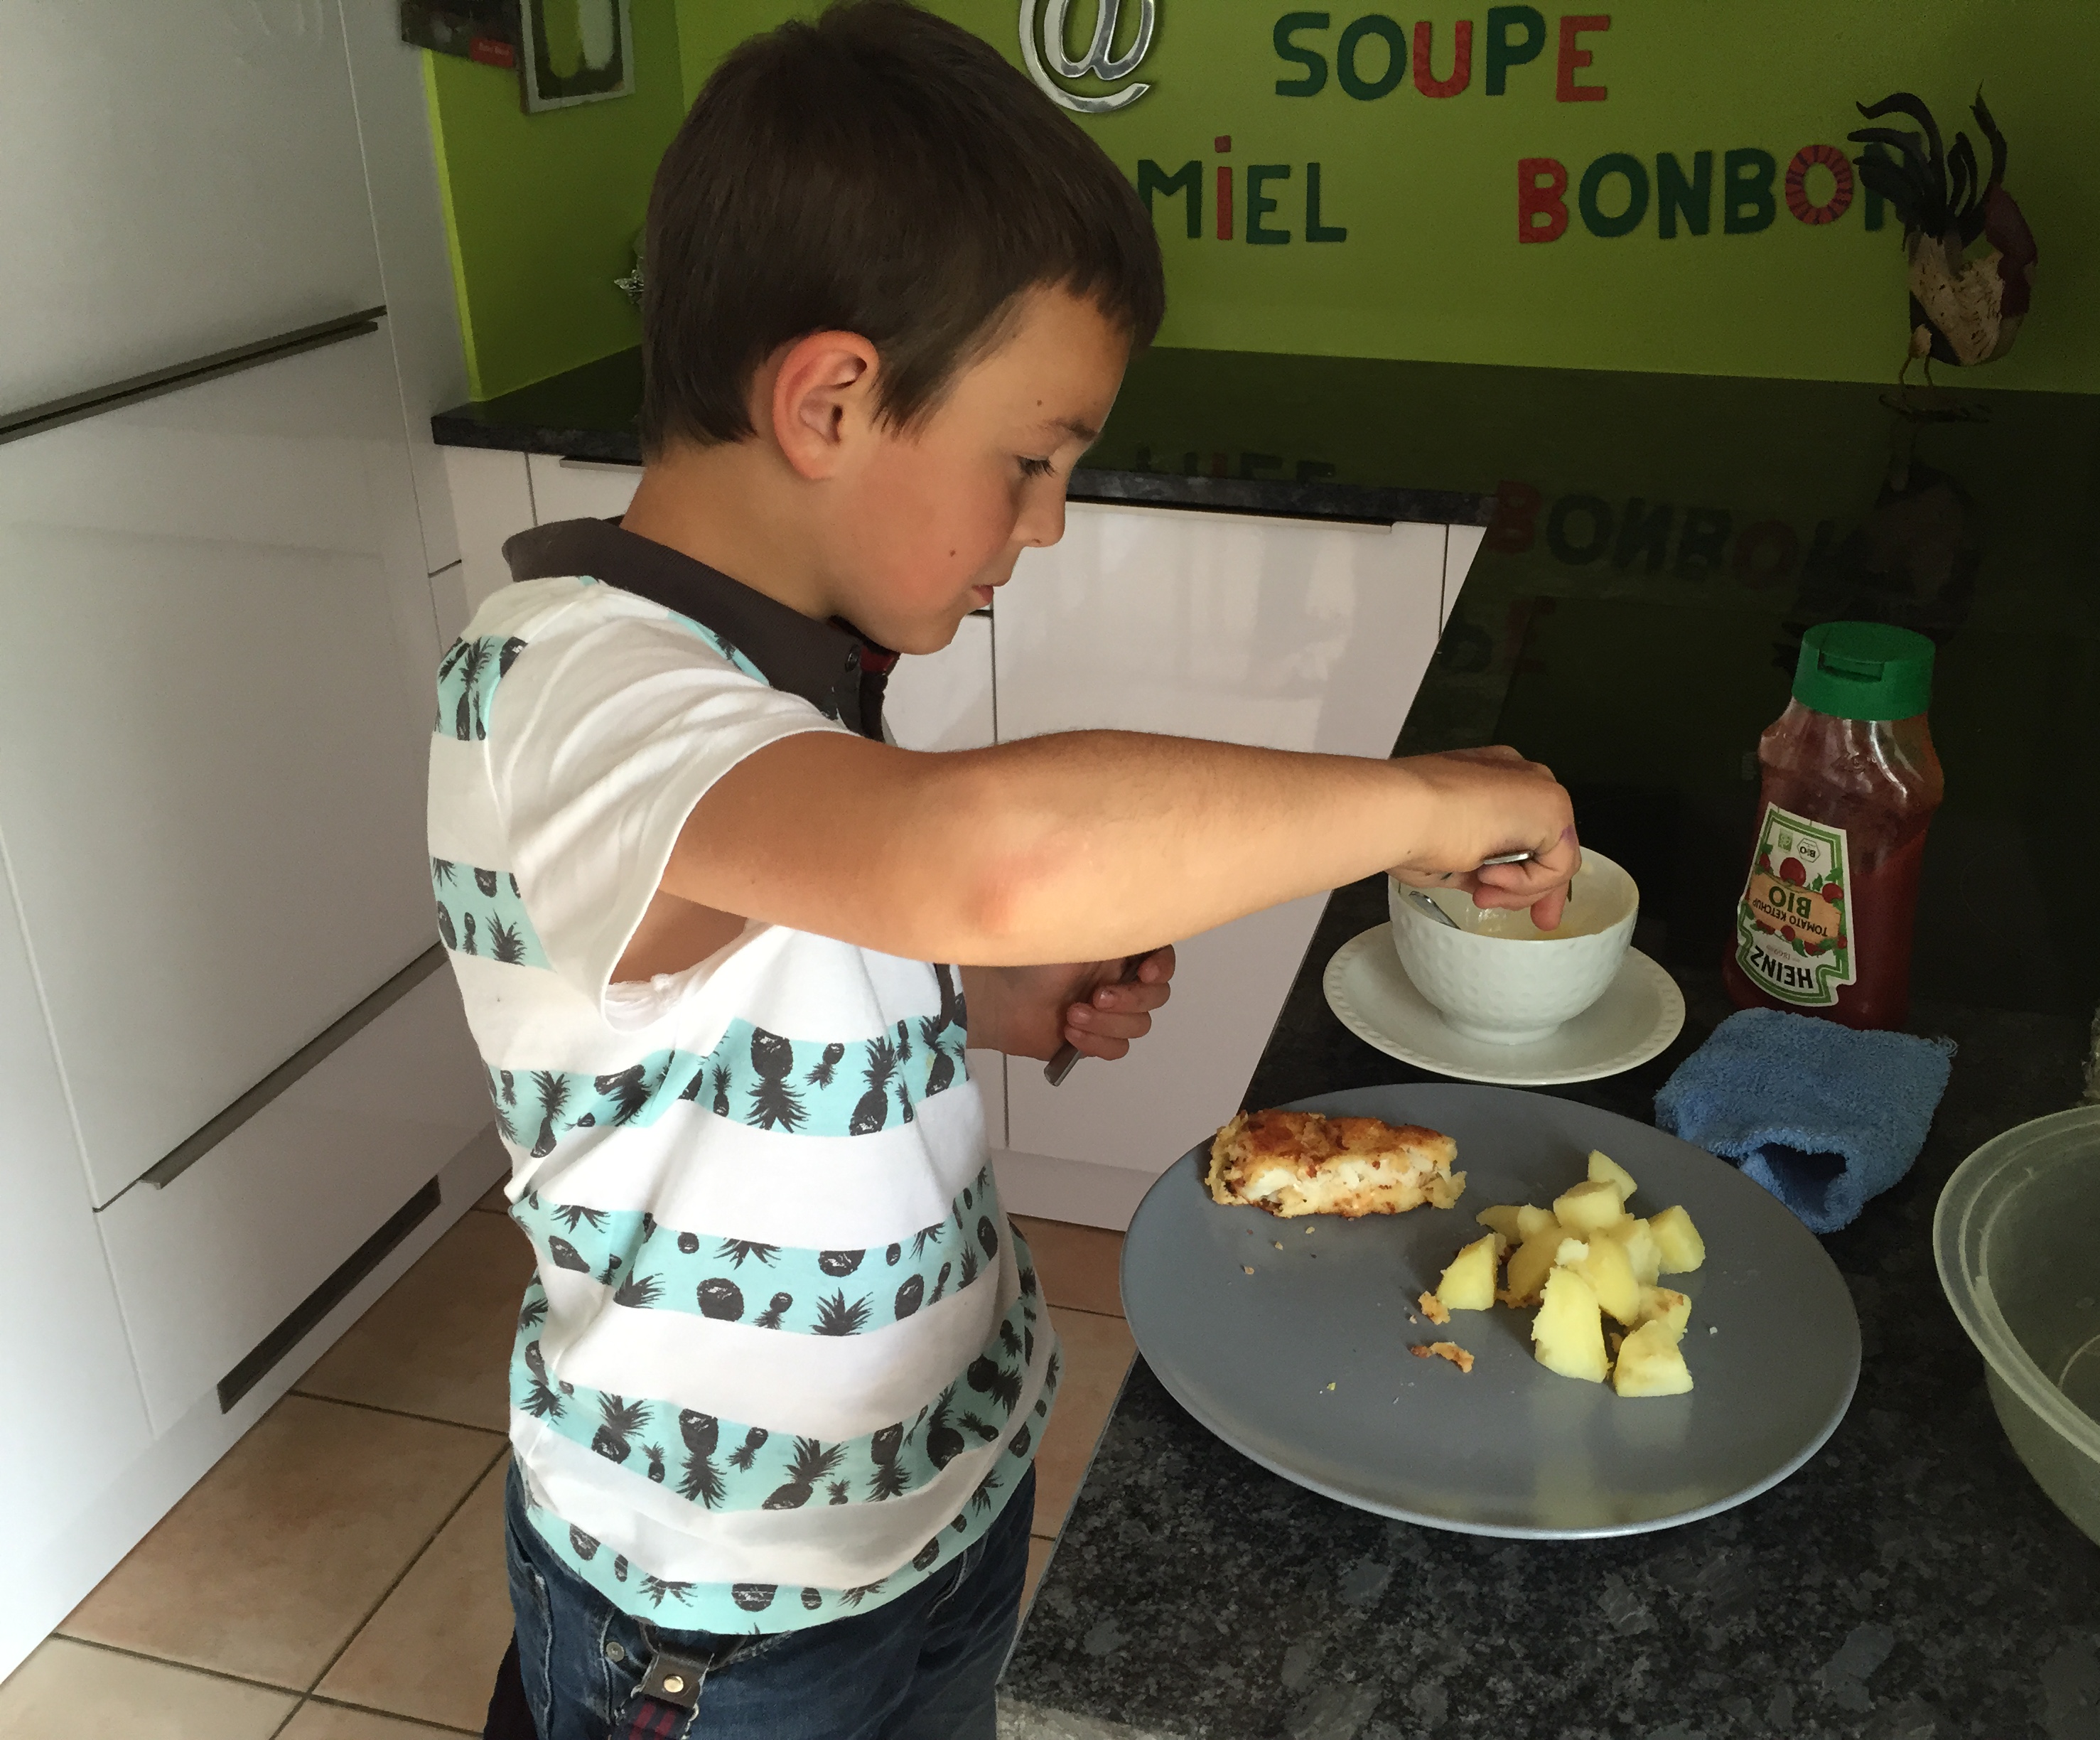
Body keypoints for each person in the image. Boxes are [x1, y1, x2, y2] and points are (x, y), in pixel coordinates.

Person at [440, 5, 1579, 1736]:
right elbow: (983, 856)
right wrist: (1422, 803)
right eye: (1032, 461)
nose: (1046, 521)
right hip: (722, 1604)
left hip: (940, 1502)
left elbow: (753, 975)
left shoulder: (776, 670)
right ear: (830, 400)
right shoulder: (567, 691)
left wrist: (970, 997)